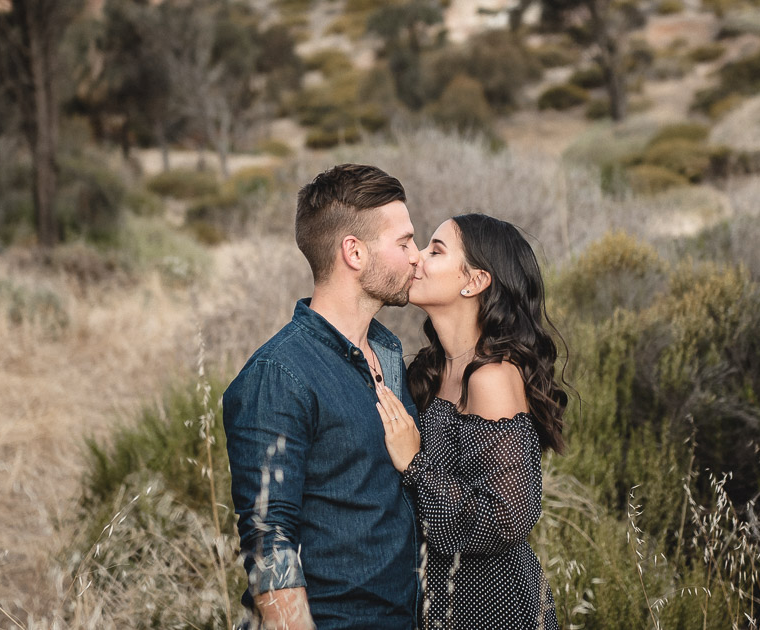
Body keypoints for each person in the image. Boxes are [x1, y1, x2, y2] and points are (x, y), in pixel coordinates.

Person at [223, 164, 422, 630]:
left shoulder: (389, 352)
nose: (416, 257)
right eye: (404, 242)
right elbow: (268, 539)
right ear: (353, 252)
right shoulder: (279, 375)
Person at [376, 213, 566, 630]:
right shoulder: (433, 367)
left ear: (475, 281)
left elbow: (507, 518)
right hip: (440, 595)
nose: (416, 259)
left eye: (436, 250)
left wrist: (415, 466)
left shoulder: (492, 379)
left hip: (493, 603)